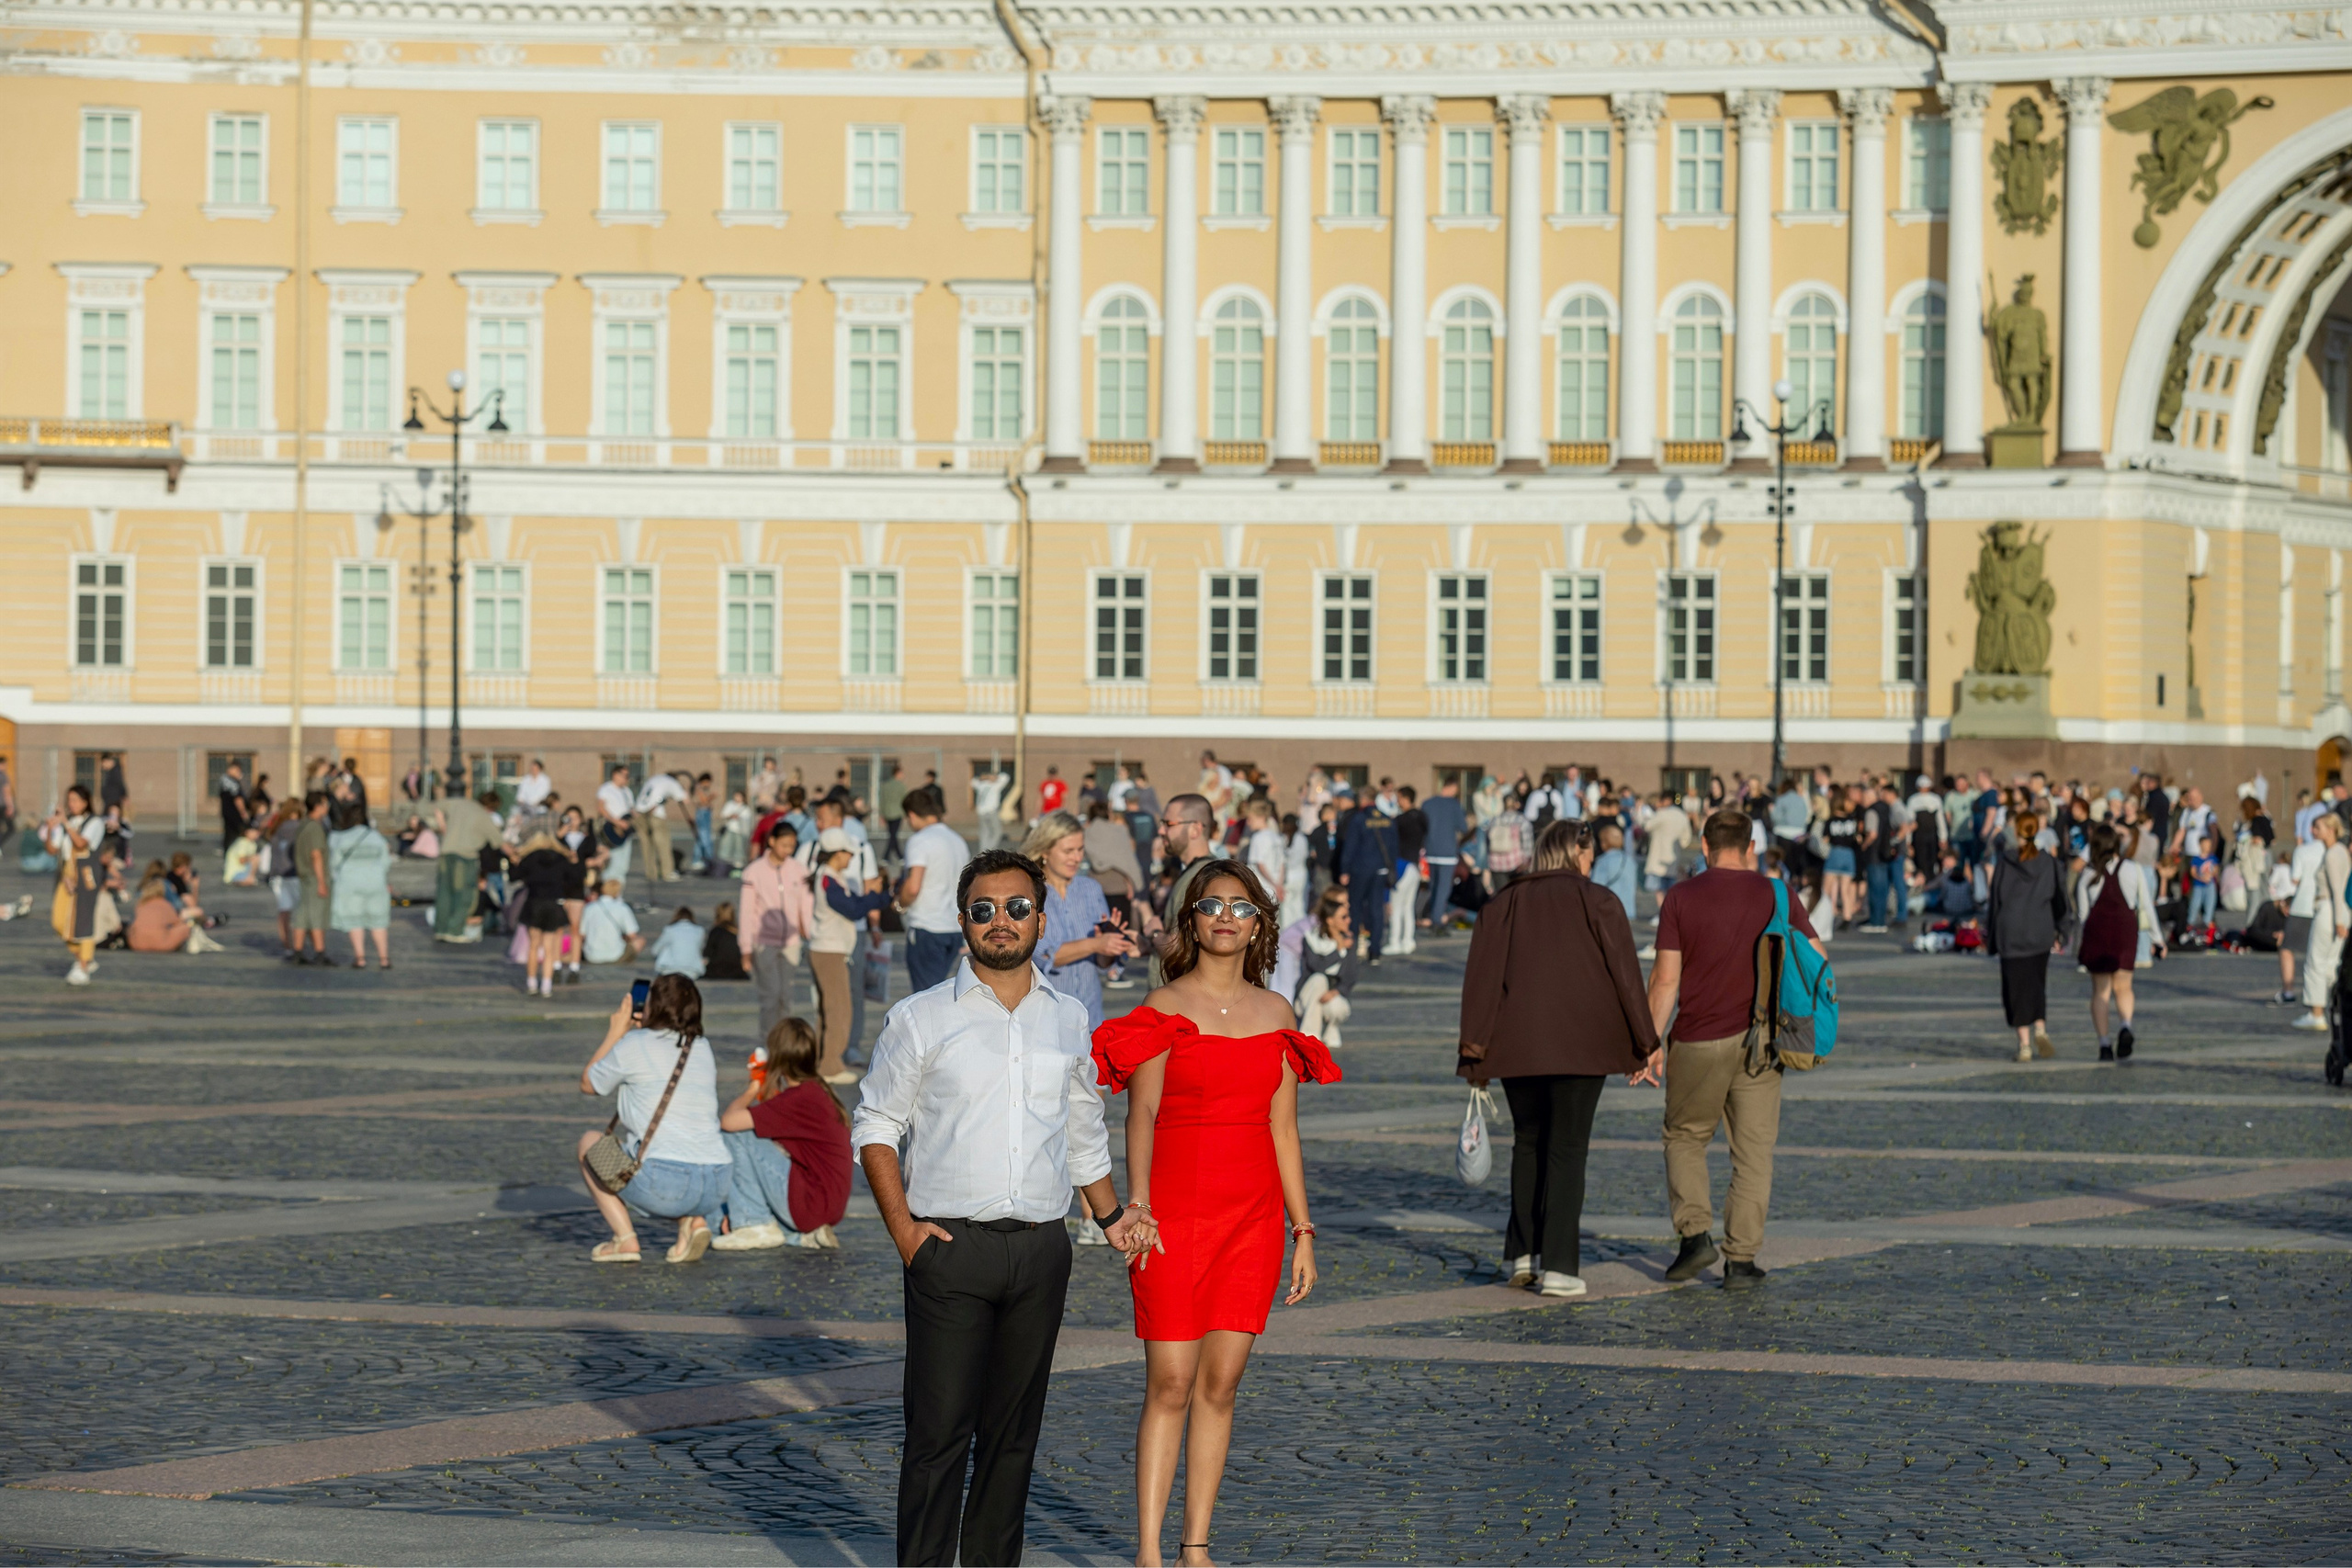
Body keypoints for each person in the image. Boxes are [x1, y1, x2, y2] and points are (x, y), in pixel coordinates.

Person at [853, 848, 1147, 1568]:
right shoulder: (920, 1016)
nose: (1002, 921)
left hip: (1042, 1251)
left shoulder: (1068, 1016)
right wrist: (905, 1232)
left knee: (1014, 1440)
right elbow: (875, 1124)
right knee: (938, 1435)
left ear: (1041, 920)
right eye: (984, 909)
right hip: (949, 1248)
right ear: (963, 922)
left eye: (1018, 907)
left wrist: (1111, 1219)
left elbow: (1083, 1134)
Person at [1091, 859, 1338, 1567]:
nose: (1225, 916)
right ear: (1190, 919)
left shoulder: (1279, 1014)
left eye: (1241, 905)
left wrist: (1304, 1231)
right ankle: (1148, 1552)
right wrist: (1137, 1203)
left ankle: (1195, 1545)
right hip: (1172, 1216)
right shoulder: (1162, 1007)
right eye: (1211, 904)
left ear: (1260, 921)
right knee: (1169, 1380)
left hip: (1251, 1219)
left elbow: (1283, 1129)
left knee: (1221, 1385)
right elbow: (1142, 1112)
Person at [1460, 818, 1657, 1298]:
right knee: (1567, 1150)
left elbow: (1481, 981)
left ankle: (1522, 1255)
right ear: (1579, 852)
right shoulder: (1599, 901)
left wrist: (1474, 1054)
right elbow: (1627, 978)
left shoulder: (1503, 904)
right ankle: (1561, 1268)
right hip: (1582, 1046)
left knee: (1528, 1144)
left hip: (1515, 1045)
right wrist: (1646, 1043)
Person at [1636, 807, 1821, 1289]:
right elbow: (1817, 957)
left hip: (1698, 1040)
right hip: (1762, 1041)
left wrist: (1649, 1043)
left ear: (1704, 845)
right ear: (1752, 847)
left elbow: (1665, 981)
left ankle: (1695, 1237)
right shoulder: (1777, 892)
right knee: (1754, 1153)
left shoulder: (1681, 897)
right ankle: (1740, 1261)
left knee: (1685, 1137)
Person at [577, 976, 731, 1264]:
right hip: (718, 1182)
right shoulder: (701, 1046)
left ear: (653, 1006)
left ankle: (625, 1239)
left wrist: (616, 1033)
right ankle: (692, 1222)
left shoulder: (634, 1043)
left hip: (666, 1183)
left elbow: (589, 1083)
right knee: (677, 1149)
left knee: (589, 1143)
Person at [714, 1017, 851, 1250]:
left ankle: (754, 1224)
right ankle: (799, 1236)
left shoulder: (797, 1100)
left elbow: (729, 1122)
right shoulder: (815, 1093)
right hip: (829, 1204)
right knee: (719, 1214)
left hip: (812, 1203)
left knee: (737, 1136)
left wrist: (754, 1088)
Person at [1023, 810, 1137, 1034]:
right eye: (1068, 851)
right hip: (1044, 1024)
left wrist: (1112, 944)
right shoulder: (1029, 893)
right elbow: (1043, 956)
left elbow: (1104, 965)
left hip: (1090, 1020)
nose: (1077, 858)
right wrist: (1096, 944)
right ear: (1045, 850)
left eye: (1080, 849)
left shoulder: (1091, 889)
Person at [2075, 821, 2162, 1061]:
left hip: (2097, 932)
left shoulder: (2089, 874)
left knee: (2100, 991)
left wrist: (2081, 945)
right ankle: (2125, 1024)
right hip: (2125, 930)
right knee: (2124, 986)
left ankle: (2104, 1044)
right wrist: (2158, 939)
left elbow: (2082, 915)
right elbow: (2146, 904)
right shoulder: (2132, 869)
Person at [809, 827, 890, 1081]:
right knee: (839, 1009)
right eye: (848, 853)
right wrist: (874, 895)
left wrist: (880, 896)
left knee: (829, 1009)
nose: (851, 858)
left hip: (829, 949)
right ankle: (830, 1066)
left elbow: (857, 903)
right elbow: (853, 909)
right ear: (836, 853)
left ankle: (822, 1062)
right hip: (829, 950)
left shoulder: (831, 876)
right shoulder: (828, 879)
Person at [1987, 809, 2067, 1062]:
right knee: (2036, 983)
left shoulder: (2006, 861)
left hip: (2011, 931)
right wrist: (2061, 929)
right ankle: (2040, 1027)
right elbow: (2060, 899)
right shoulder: (2049, 862)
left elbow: (1995, 901)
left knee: (2015, 988)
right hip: (2040, 930)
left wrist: (1991, 939)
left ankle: (2024, 1045)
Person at [741, 820, 814, 1045]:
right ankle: (768, 1041)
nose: (787, 850)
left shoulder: (799, 870)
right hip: (764, 943)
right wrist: (745, 949)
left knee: (786, 996)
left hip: (792, 942)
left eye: (791, 846)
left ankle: (785, 1043)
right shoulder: (754, 872)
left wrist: (808, 932)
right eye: (783, 845)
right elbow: (746, 912)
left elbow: (806, 904)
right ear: (771, 842)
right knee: (770, 996)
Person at [898, 787, 970, 994]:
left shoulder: (920, 840)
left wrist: (900, 904)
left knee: (925, 998)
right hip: (953, 927)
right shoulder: (958, 841)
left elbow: (913, 887)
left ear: (912, 815)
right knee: (941, 992)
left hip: (927, 926)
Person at [1276, 886, 1361, 1046]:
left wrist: (1336, 991)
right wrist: (1339, 950)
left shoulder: (1350, 941)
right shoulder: (1311, 938)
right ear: (1330, 920)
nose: (1348, 920)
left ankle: (1323, 1031)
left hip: (1331, 996)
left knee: (1336, 1006)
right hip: (1306, 995)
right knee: (1319, 979)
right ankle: (1311, 1038)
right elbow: (1316, 966)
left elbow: (1351, 976)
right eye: (1343, 917)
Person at [1149, 794, 1219, 987]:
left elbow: (1182, 949)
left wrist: (1154, 934)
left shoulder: (1203, 877)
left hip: (1180, 1007)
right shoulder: (1192, 873)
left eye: (1168, 824)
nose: (1161, 830)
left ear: (1195, 829)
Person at [2295, 813, 2351, 1032]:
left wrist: (2339, 920)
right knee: (2330, 963)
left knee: (2316, 962)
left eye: (2317, 827)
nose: (2312, 831)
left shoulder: (2333, 854)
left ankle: (2316, 1012)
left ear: (2330, 829)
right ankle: (2333, 1007)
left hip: (2329, 909)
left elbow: (2338, 889)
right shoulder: (2339, 852)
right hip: (2337, 911)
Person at [327, 799, 394, 970]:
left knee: (354, 920)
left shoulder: (341, 838)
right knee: (378, 921)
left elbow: (334, 863)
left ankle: (360, 957)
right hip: (375, 882)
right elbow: (386, 862)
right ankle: (384, 958)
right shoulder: (376, 837)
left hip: (350, 883)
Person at [1335, 791, 1397, 965]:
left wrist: (1344, 870)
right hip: (1381, 870)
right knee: (1377, 910)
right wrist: (1392, 870)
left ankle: (1352, 948)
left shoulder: (1359, 819)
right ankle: (1375, 952)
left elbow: (1350, 846)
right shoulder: (1387, 819)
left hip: (1360, 870)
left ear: (1363, 799)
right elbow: (1394, 848)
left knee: (1355, 908)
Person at [433, 780, 496, 942]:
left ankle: (441, 929)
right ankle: (455, 931)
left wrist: (443, 828)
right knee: (463, 895)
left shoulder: (460, 805)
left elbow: (437, 807)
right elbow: (498, 841)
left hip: (446, 854)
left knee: (445, 893)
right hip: (465, 858)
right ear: (490, 807)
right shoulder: (483, 815)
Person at [514, 831, 575, 997]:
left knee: (533, 946)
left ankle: (531, 982)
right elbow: (571, 879)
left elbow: (515, 876)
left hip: (534, 903)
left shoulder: (530, 858)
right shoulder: (561, 859)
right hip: (554, 904)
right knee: (549, 948)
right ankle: (546, 985)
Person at [290, 791, 336, 966]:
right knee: (317, 916)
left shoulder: (303, 824)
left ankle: (298, 951)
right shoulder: (316, 827)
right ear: (318, 806)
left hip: (303, 875)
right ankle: (320, 952)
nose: (327, 808)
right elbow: (316, 855)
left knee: (302, 915)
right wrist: (322, 882)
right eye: (325, 804)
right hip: (315, 876)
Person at [1420, 777, 1468, 934]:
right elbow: (1463, 827)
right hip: (1447, 852)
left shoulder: (1427, 804)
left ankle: (1433, 915)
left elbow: (1423, 827)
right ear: (1453, 787)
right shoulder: (1454, 805)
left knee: (1434, 886)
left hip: (1431, 851)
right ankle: (1437, 921)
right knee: (1443, 888)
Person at [1387, 785, 1426, 956]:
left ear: (1404, 798)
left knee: (1396, 907)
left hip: (1402, 865)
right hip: (1415, 866)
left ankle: (1394, 941)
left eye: (1398, 797)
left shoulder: (1400, 820)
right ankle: (1408, 940)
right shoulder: (1422, 817)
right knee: (1408, 907)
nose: (1397, 801)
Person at [581, 877, 645, 964]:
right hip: (616, 956)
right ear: (618, 892)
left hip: (591, 956)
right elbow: (632, 935)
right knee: (640, 941)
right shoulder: (622, 907)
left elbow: (582, 934)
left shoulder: (590, 907)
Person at [596, 762, 639, 884]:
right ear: (615, 774)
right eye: (624, 775)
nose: (626, 778)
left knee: (623, 864)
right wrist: (617, 822)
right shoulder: (606, 789)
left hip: (625, 830)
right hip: (612, 829)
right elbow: (601, 808)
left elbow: (631, 810)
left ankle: (618, 891)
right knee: (614, 861)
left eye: (627, 775)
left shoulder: (627, 791)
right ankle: (607, 888)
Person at [1589, 821, 1637, 921]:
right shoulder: (1630, 860)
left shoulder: (1602, 861)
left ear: (1604, 842)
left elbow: (1596, 886)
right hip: (1627, 909)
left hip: (1609, 908)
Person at [651, 905, 707, 978]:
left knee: (666, 946)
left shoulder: (670, 929)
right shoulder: (699, 930)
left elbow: (655, 950)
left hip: (669, 970)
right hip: (692, 971)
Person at [703, 901, 748, 981]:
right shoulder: (738, 932)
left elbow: (707, 953)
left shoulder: (715, 931)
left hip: (716, 970)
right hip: (736, 971)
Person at [217, 759, 249, 852]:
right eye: (237, 770)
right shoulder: (232, 782)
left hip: (227, 812)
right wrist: (243, 812)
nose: (239, 773)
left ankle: (228, 851)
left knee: (228, 834)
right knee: (236, 834)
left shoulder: (223, 779)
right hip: (233, 813)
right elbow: (238, 798)